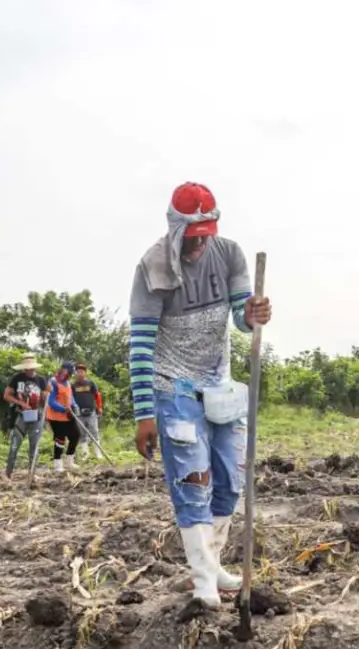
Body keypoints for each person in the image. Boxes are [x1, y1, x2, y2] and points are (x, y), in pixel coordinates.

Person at [129, 181, 272, 608]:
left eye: (204, 238)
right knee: (194, 481)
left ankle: (214, 565)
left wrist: (252, 315)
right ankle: (203, 580)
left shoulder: (229, 254)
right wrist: (143, 413)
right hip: (173, 386)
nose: (197, 247)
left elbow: (243, 318)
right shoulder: (153, 267)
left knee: (230, 477)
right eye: (191, 239)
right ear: (175, 229)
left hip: (219, 384)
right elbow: (139, 345)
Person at [2, 354, 48, 478]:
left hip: (36, 416)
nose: (29, 371)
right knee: (15, 444)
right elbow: (6, 395)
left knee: (34, 445)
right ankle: (8, 473)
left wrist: (46, 396)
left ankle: (31, 474)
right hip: (21, 415)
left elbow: (45, 398)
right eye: (27, 369)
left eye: (31, 368)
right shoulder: (17, 378)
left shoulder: (41, 380)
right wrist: (21, 402)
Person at [45, 361, 81, 472]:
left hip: (68, 415)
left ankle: (70, 461)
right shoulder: (53, 382)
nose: (70, 376)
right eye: (69, 373)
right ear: (64, 371)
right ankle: (57, 464)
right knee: (60, 439)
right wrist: (63, 409)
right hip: (56, 417)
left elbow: (70, 397)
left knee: (76, 435)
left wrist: (74, 406)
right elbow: (51, 401)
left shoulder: (68, 383)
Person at [72, 363, 103, 461]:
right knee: (82, 434)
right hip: (79, 413)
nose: (80, 373)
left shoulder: (91, 383)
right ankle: (85, 455)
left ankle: (98, 454)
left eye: (82, 371)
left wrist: (100, 407)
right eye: (78, 372)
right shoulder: (73, 385)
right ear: (76, 373)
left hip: (91, 412)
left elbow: (97, 396)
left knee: (94, 431)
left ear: (85, 373)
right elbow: (71, 399)